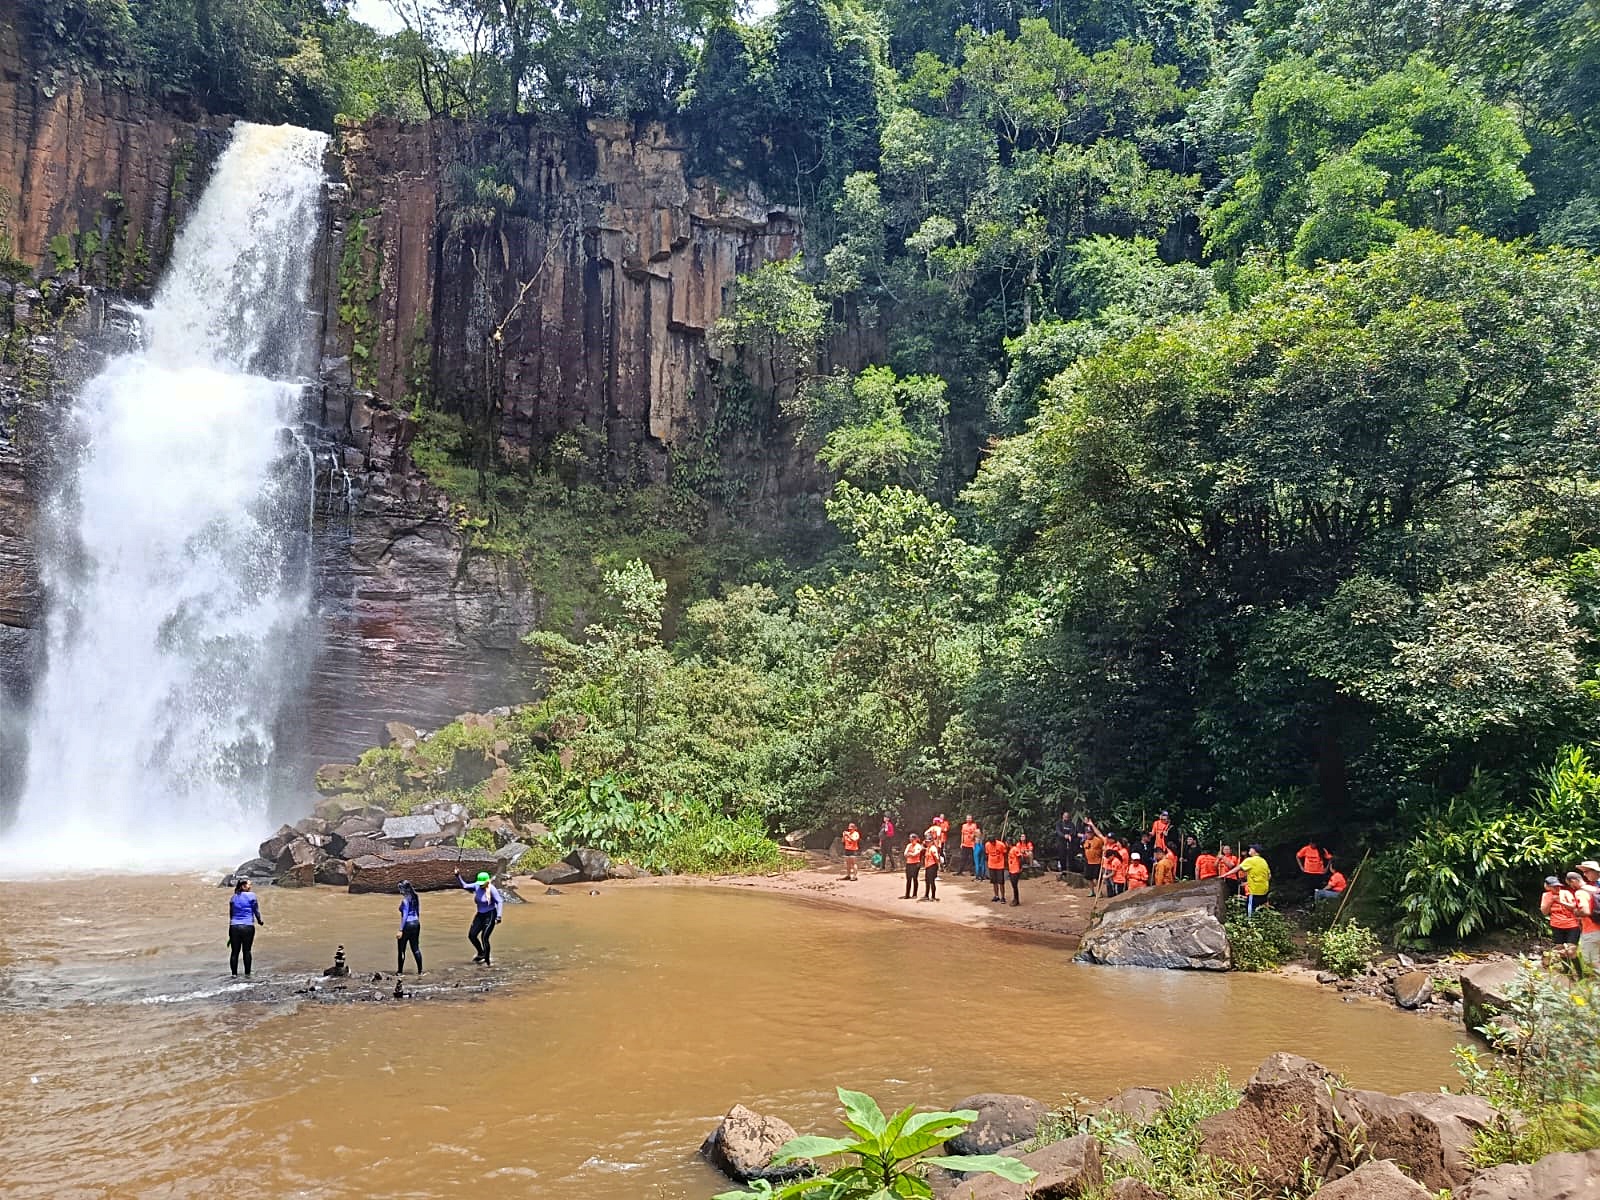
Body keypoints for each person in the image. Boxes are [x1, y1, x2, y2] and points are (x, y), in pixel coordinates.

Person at [455, 870, 504, 965]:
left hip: (490, 914)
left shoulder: (492, 889)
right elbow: (464, 886)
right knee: (472, 935)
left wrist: (499, 916)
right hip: (480, 915)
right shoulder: (476, 886)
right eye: (480, 884)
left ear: (487, 882)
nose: (481, 886)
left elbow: (500, 901)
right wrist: (457, 876)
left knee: (484, 938)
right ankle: (481, 953)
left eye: (483, 884)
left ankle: (487, 962)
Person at [228, 879, 265, 977]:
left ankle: (234, 975)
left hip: (234, 927)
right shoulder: (252, 896)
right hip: (248, 926)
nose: (250, 886)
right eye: (249, 885)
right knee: (247, 951)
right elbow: (256, 911)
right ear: (243, 886)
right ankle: (247, 974)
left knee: (234, 952)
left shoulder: (233, 898)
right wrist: (260, 921)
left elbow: (231, 915)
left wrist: (231, 928)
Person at [1226, 845, 1271, 916]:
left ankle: (1250, 924)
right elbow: (1269, 876)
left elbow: (1238, 868)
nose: (1249, 849)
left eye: (1251, 848)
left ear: (1255, 851)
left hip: (1254, 890)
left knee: (1250, 910)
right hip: (1264, 890)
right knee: (1261, 909)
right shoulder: (1263, 861)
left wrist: (1225, 874)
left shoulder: (1250, 860)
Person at [1541, 876, 1581, 947]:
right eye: (1554, 887)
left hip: (1571, 924)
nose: (1557, 888)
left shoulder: (1566, 893)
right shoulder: (1546, 895)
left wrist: (1559, 901)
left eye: (1558, 886)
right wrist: (1551, 901)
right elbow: (1544, 912)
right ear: (1549, 887)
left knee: (1571, 949)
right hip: (1556, 924)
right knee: (1559, 948)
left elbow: (1573, 907)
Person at [396, 880, 423, 975]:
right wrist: (417, 922)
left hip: (407, 924)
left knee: (401, 949)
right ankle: (420, 972)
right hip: (416, 923)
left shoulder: (405, 900)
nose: (400, 891)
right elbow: (418, 911)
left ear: (404, 889)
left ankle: (400, 973)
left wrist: (400, 930)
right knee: (416, 948)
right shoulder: (415, 897)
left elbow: (405, 915)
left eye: (400, 888)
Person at [1006, 836, 1029, 906]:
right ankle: (1015, 899)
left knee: (1015, 885)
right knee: (1013, 885)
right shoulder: (1010, 849)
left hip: (1015, 870)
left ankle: (1016, 900)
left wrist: (1020, 867)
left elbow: (1020, 858)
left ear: (1008, 843)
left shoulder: (1014, 849)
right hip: (1011, 869)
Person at [986, 834, 1009, 902]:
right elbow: (987, 853)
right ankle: (996, 896)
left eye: (993, 842)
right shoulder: (987, 845)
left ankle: (1003, 897)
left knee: (1001, 882)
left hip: (1000, 865)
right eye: (991, 842)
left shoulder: (1001, 845)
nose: (992, 843)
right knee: (994, 881)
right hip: (991, 865)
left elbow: (1005, 852)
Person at [1083, 826, 1105, 896]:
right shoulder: (1085, 841)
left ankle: (1099, 892)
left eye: (1090, 833)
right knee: (1089, 878)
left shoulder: (1098, 840)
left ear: (1093, 833)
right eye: (1087, 833)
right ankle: (1092, 891)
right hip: (1089, 862)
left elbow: (1103, 847)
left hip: (1097, 862)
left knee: (1097, 879)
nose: (1089, 834)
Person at [903, 832, 924, 899]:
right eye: (910, 839)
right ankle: (907, 894)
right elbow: (905, 854)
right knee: (908, 879)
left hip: (916, 863)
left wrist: (910, 854)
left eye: (912, 839)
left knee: (914, 878)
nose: (911, 841)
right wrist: (910, 854)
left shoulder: (918, 846)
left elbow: (915, 854)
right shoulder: (909, 845)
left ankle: (914, 894)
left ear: (915, 839)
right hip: (909, 863)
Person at [921, 837, 942, 901]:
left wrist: (937, 865)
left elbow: (936, 858)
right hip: (928, 866)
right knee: (927, 881)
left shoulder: (933, 848)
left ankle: (933, 896)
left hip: (932, 866)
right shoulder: (928, 848)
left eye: (928, 842)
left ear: (932, 842)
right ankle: (926, 895)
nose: (927, 843)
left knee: (931, 881)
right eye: (926, 842)